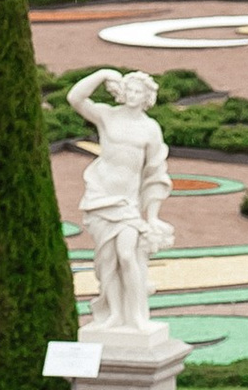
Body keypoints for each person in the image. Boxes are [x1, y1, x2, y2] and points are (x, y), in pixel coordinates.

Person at [63, 67, 176, 337]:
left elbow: (155, 173)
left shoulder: (150, 129)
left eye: (139, 91)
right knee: (106, 261)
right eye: (130, 90)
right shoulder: (107, 116)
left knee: (127, 255)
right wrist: (102, 74)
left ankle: (137, 316)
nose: (133, 95)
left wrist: (152, 216)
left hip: (127, 203)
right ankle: (114, 314)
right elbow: (75, 98)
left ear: (148, 96)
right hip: (100, 196)